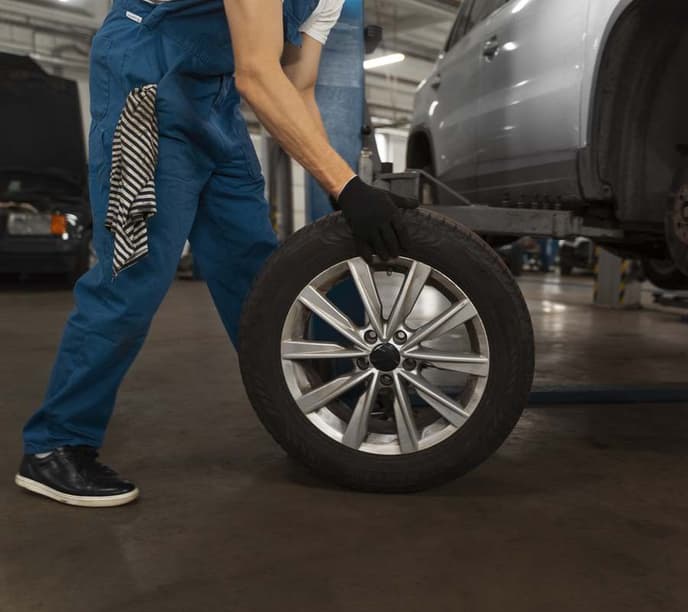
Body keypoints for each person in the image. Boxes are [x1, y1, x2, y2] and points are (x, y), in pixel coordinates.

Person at [14, 0, 417, 508]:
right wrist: (347, 188)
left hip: (216, 99)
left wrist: (344, 186)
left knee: (257, 277)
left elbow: (297, 87)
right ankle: (55, 444)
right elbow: (257, 73)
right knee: (134, 274)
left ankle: (313, 417)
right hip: (147, 74)